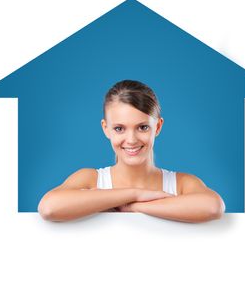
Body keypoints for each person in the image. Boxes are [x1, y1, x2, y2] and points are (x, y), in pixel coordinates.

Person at [38, 80, 225, 223]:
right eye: (119, 128)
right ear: (106, 128)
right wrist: (135, 193)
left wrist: (135, 207)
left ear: (158, 126)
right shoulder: (90, 179)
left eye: (142, 127)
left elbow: (213, 206)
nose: (132, 140)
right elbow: (49, 207)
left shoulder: (181, 184)